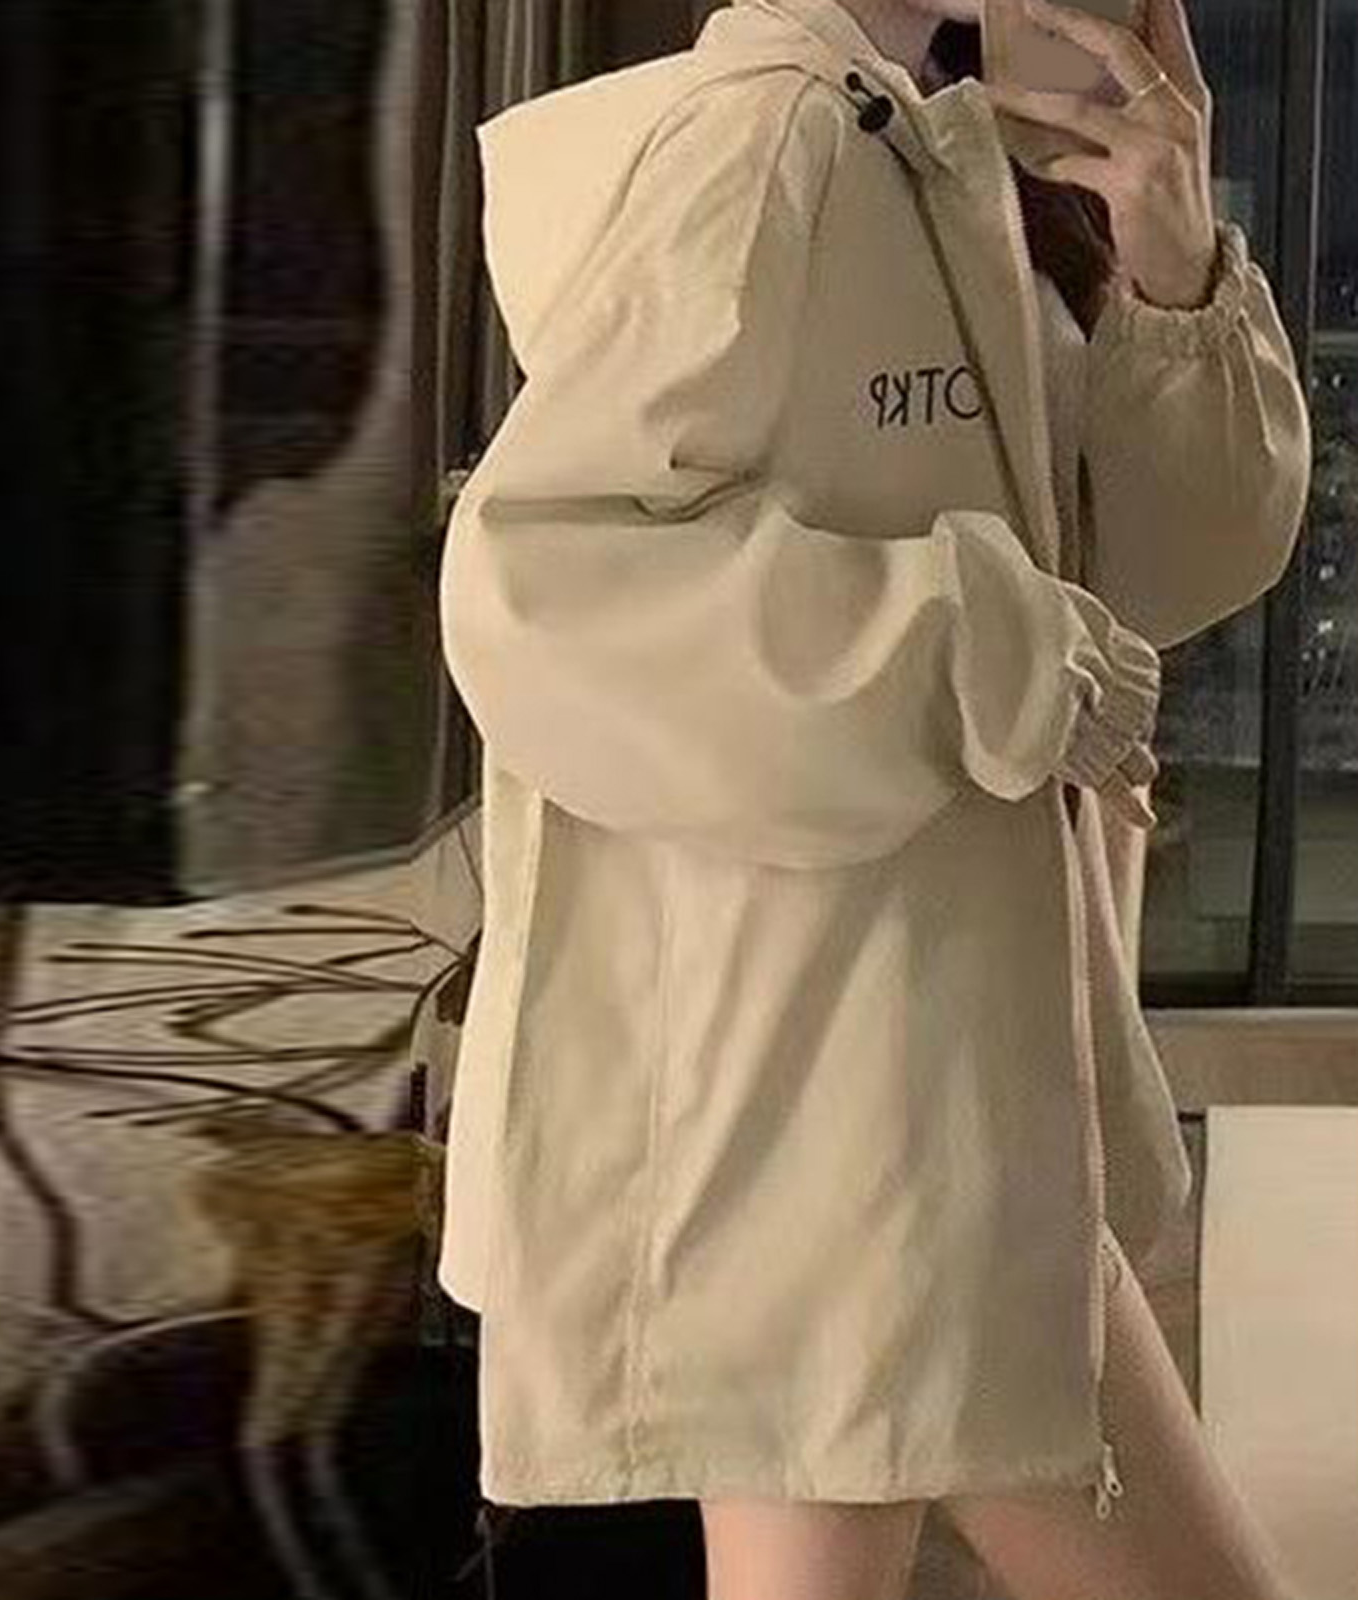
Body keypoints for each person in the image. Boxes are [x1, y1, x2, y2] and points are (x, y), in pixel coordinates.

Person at [435, 1, 1312, 1596]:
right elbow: (544, 587)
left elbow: (1159, 569)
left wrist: (1175, 264)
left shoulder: (932, 162)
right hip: (830, 1089)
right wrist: (1001, 649)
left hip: (946, 1081)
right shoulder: (767, 142)